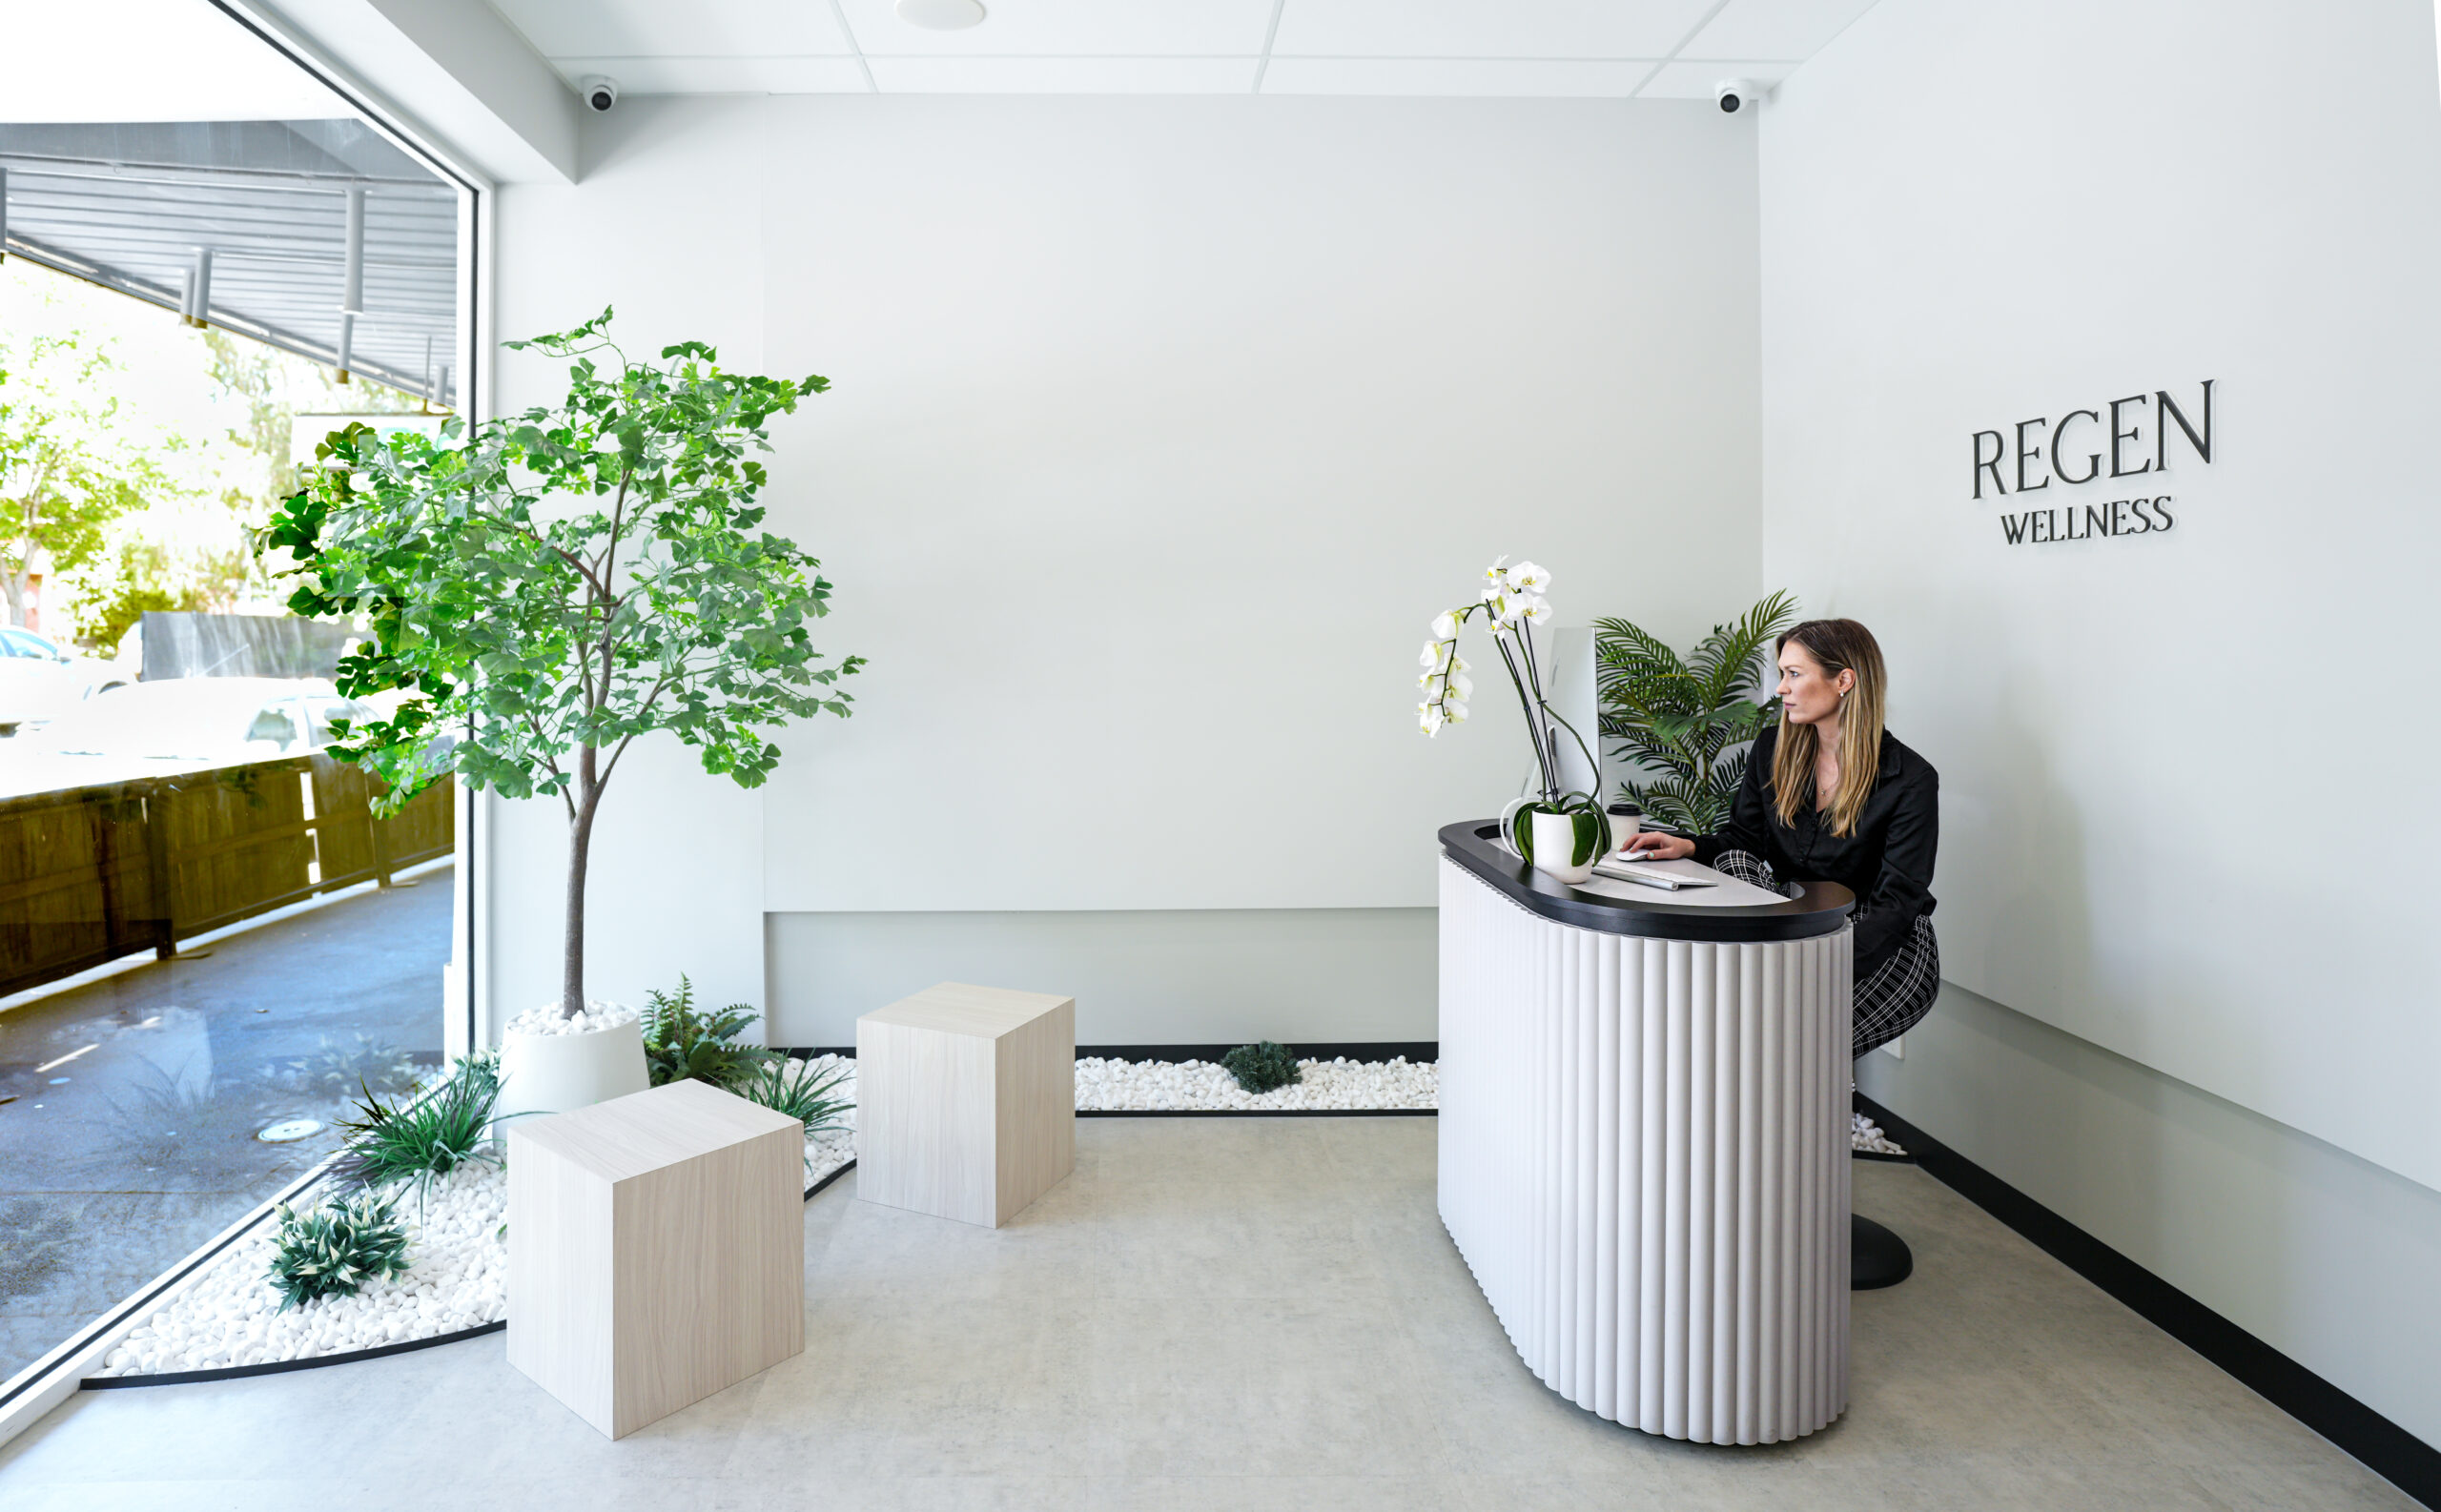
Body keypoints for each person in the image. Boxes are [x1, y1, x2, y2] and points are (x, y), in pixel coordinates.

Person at [1625, 618, 1938, 1058]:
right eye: (1781, 674)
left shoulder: (1909, 779)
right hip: (1805, 924)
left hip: (1881, 940)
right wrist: (1690, 846)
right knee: (1735, 866)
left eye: (1794, 674)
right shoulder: (1773, 749)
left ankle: (1813, 1114)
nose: (1780, 689)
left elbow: (1899, 903)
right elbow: (1743, 842)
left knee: (1806, 1050)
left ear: (1844, 680)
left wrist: (1812, 965)